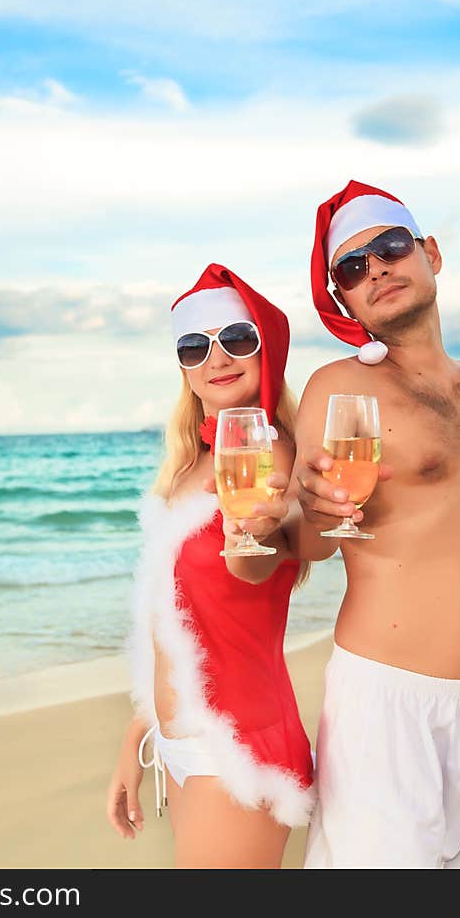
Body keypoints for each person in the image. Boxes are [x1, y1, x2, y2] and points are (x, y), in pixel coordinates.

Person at [234, 180, 460, 869]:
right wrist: (305, 510)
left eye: (390, 247)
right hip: (390, 706)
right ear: (345, 301)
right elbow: (313, 535)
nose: (376, 268)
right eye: (352, 267)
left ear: (430, 254)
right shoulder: (341, 387)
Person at [105, 264, 315, 868]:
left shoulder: (270, 454)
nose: (217, 358)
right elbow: (173, 629)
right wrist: (137, 737)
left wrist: (264, 530)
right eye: (195, 346)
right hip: (181, 742)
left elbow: (263, 563)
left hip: (237, 746)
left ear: (266, 349)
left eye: (237, 339)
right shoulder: (187, 470)